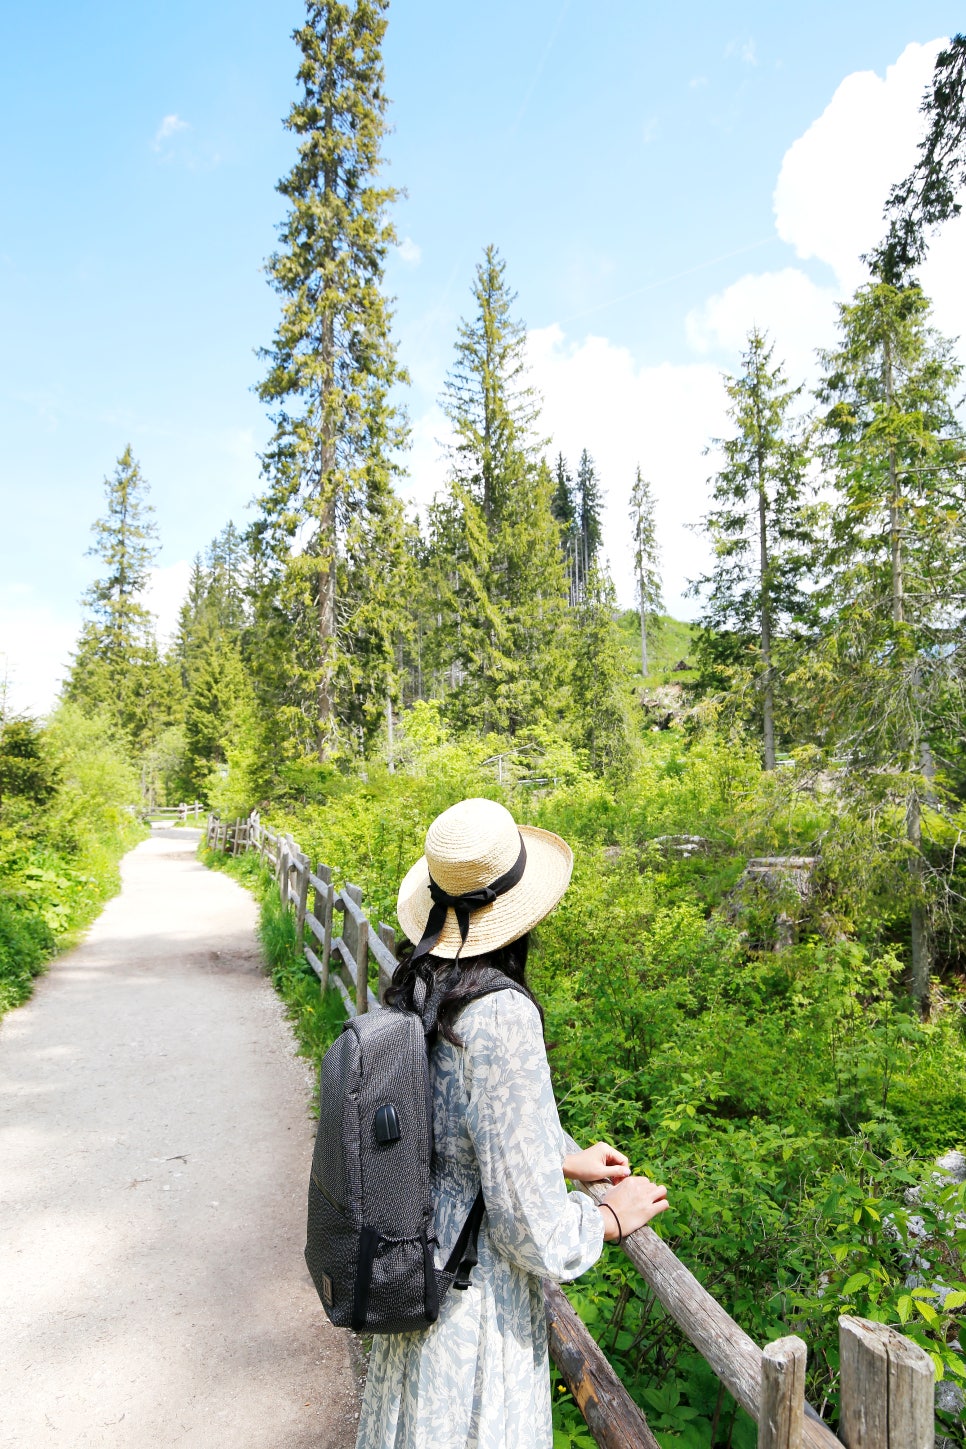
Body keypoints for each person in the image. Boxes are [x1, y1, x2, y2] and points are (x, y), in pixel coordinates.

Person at [354, 797, 669, 1449]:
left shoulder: (418, 982)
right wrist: (607, 1217)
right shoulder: (501, 1015)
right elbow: (531, 1230)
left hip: (413, 1269)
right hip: (471, 1309)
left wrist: (559, 1153)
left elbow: (450, 1122)